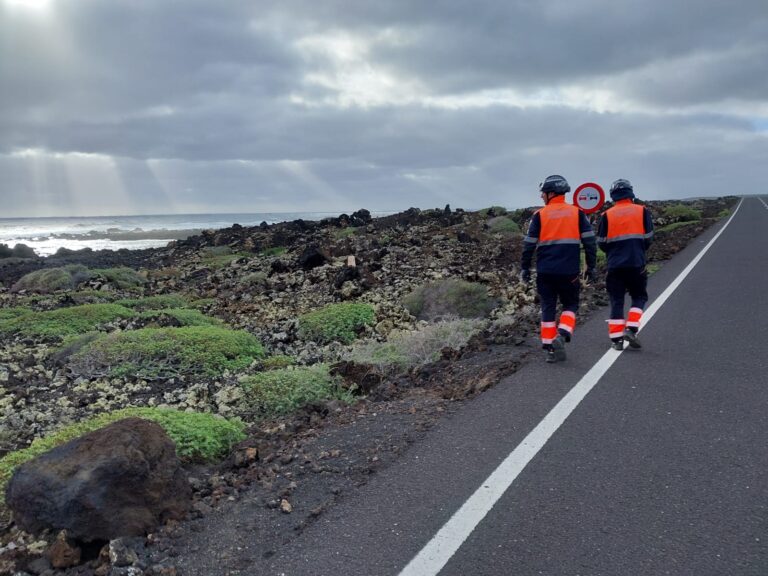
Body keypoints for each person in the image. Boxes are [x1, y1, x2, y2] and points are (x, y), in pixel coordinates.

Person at [521, 175, 598, 363]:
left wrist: (524, 268)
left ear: (551, 193)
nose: (541, 197)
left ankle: (550, 349)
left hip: (545, 272)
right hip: (569, 272)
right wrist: (591, 267)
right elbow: (590, 243)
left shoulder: (539, 215)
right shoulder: (577, 213)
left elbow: (529, 245)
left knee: (547, 306)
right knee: (571, 305)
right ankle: (562, 335)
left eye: (543, 193)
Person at [596, 179, 654, 350]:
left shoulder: (606, 215)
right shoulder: (642, 211)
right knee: (639, 296)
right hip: (637, 263)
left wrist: (613, 252)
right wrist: (638, 250)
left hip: (615, 265)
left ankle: (617, 341)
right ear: (630, 193)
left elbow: (601, 242)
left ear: (613, 195)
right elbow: (649, 237)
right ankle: (631, 328)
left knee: (616, 300)